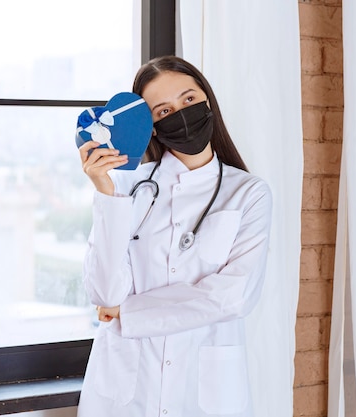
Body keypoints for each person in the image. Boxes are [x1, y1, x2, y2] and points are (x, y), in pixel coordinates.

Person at [76, 55, 272, 417]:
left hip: (204, 392)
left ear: (207, 101)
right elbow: (104, 294)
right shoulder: (124, 187)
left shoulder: (249, 194)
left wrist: (129, 312)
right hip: (124, 391)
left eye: (188, 100)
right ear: (151, 127)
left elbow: (233, 297)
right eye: (163, 111)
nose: (180, 114)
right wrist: (105, 190)